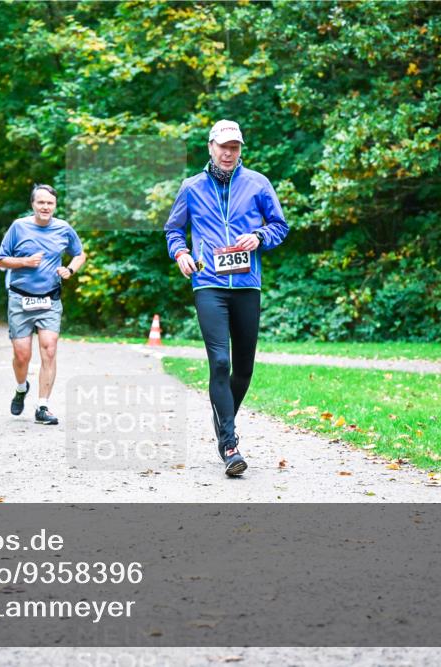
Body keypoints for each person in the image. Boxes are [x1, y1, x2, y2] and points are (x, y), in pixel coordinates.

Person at [164, 120, 289, 476]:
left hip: (247, 283)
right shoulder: (191, 187)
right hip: (208, 282)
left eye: (234, 146)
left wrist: (260, 237)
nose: (228, 152)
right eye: (223, 146)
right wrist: (181, 254)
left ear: (240, 149)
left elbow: (280, 226)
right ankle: (230, 444)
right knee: (220, 363)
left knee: (243, 368)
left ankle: (222, 413)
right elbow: (174, 229)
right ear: (210, 147)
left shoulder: (258, 183)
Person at [0, 184, 86, 425]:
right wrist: (24, 262)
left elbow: (79, 254)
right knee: (22, 355)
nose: (45, 207)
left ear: (55, 206)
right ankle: (21, 387)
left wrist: (69, 269)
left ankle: (42, 406)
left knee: (49, 348)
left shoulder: (63, 228)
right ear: (33, 204)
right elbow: (0, 261)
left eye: (50, 203)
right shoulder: (19, 227)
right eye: (41, 202)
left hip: (50, 298)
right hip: (20, 298)